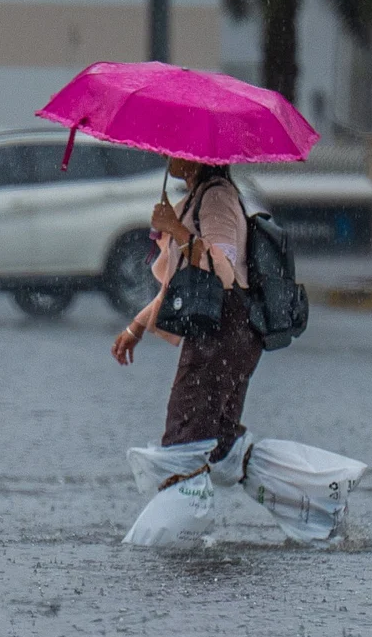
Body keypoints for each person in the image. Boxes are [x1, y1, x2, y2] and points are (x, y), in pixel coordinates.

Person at [111, 157, 262, 465]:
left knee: (187, 435)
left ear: (197, 158)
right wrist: (136, 327)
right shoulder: (199, 196)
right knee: (217, 442)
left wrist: (176, 229)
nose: (169, 156)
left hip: (224, 329)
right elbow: (185, 283)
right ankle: (284, 482)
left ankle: (183, 491)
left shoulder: (217, 197)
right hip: (220, 330)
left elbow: (222, 271)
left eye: (177, 152)